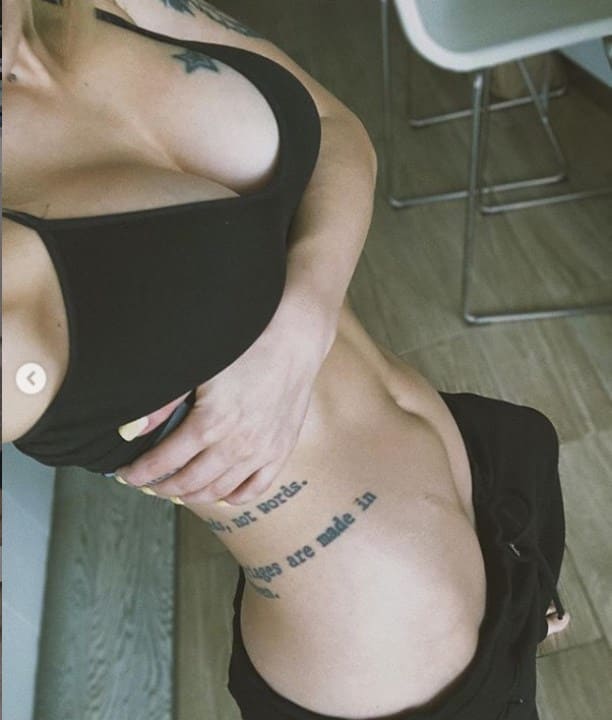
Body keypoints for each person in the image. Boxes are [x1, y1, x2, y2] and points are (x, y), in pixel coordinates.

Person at [2, 1, 570, 718]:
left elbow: (334, 126)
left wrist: (306, 314)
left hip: (475, 473)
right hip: (380, 657)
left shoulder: (106, 7)